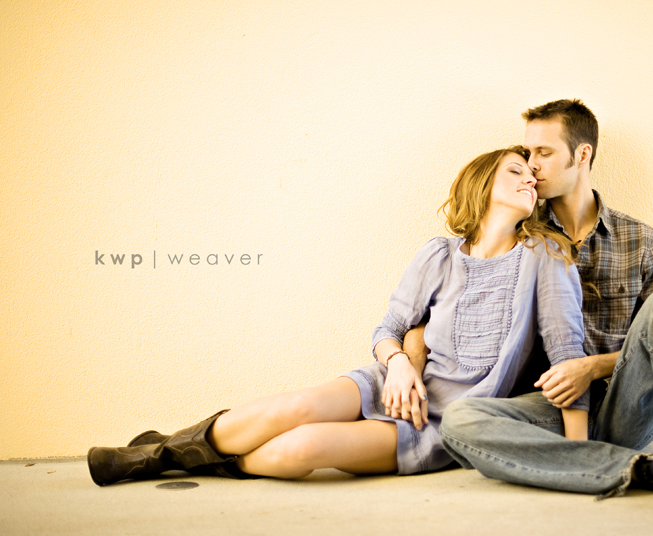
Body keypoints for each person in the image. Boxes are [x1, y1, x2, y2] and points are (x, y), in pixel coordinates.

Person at [87, 146, 589, 486]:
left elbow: (568, 353)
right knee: (291, 408)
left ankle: (186, 456)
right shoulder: (438, 255)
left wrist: (577, 457)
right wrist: (399, 364)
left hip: (437, 422)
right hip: (391, 382)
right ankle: (154, 457)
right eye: (515, 171)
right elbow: (388, 330)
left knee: (300, 449)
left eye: (532, 175)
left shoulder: (546, 257)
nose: (530, 179)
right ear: (482, 182)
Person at [432, 100, 653, 517]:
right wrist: (404, 353)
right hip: (547, 411)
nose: (532, 166)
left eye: (544, 153)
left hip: (626, 406)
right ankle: (649, 469)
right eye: (527, 153)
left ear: (582, 155)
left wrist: (591, 368)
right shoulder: (518, 232)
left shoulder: (639, 239)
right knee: (460, 421)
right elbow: (449, 301)